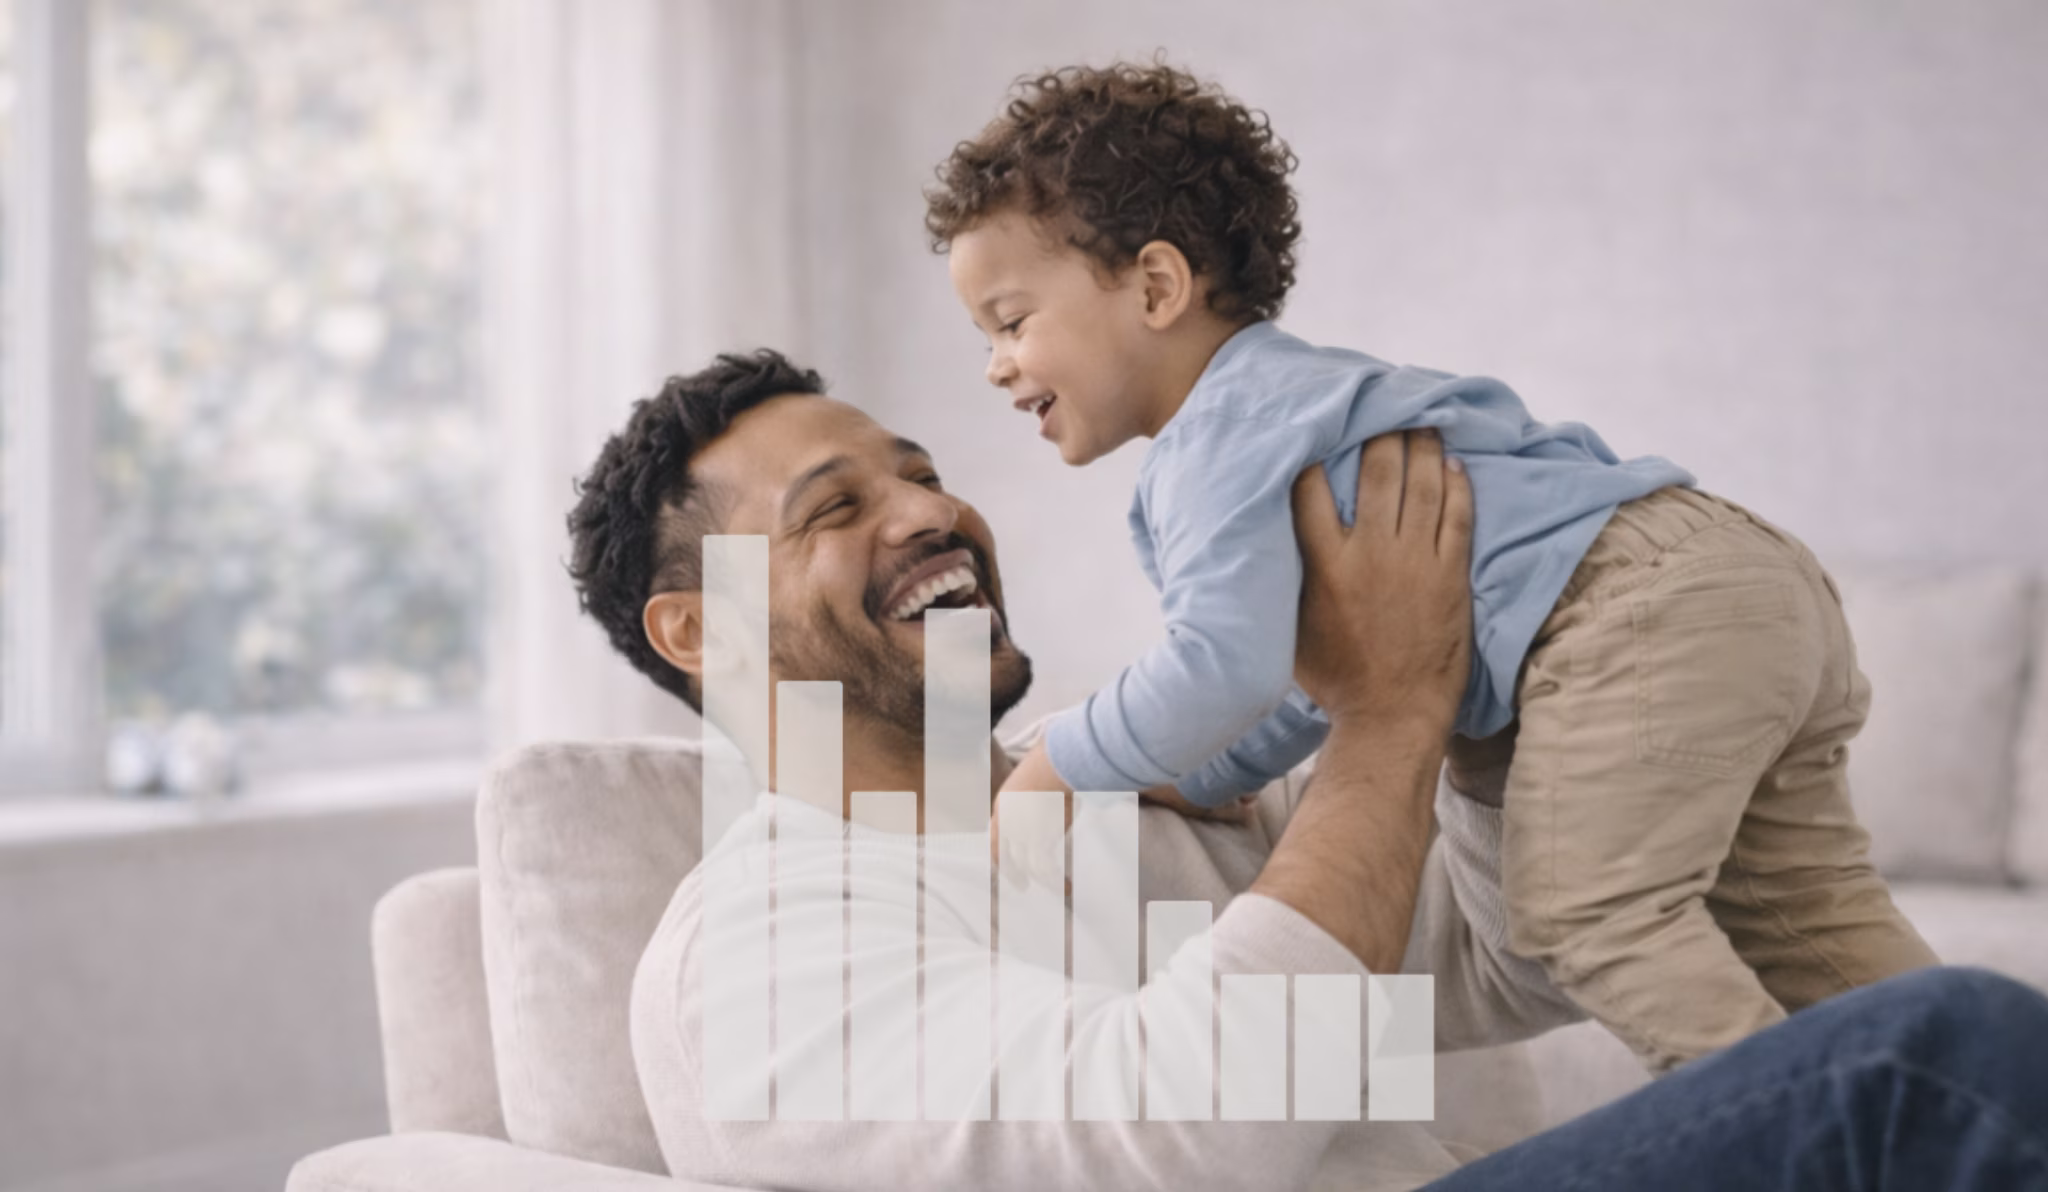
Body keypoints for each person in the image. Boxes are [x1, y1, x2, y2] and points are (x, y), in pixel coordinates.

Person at [564, 349, 2048, 1191]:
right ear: (701, 630)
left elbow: (1503, 959)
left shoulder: (1121, 803)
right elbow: (1170, 1137)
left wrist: (1485, 653)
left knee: (1925, 1036)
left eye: (920, 471)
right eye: (836, 509)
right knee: (1929, 1057)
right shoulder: (758, 944)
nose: (930, 512)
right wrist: (1385, 718)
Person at [926, 61, 1936, 1072]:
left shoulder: (1212, 442)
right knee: (1802, 915)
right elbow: (1325, 668)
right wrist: (1212, 773)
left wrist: (1061, 766)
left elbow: (1220, 667)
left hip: (1622, 611)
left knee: (1589, 912)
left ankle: (1800, 1133)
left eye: (1011, 322)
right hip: (1733, 574)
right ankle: (1969, 1106)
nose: (996, 365)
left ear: (1156, 286)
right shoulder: (1296, 402)